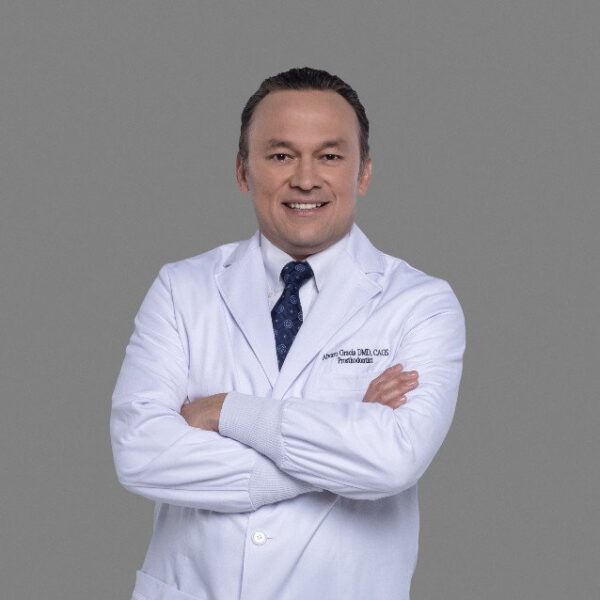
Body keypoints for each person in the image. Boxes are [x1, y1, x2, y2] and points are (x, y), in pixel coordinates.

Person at [110, 66, 466, 600]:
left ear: (363, 173)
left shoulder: (421, 304)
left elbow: (394, 460)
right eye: (280, 156)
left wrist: (227, 411)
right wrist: (343, 445)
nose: (305, 179)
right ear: (242, 171)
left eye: (330, 156)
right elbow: (139, 453)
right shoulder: (183, 289)